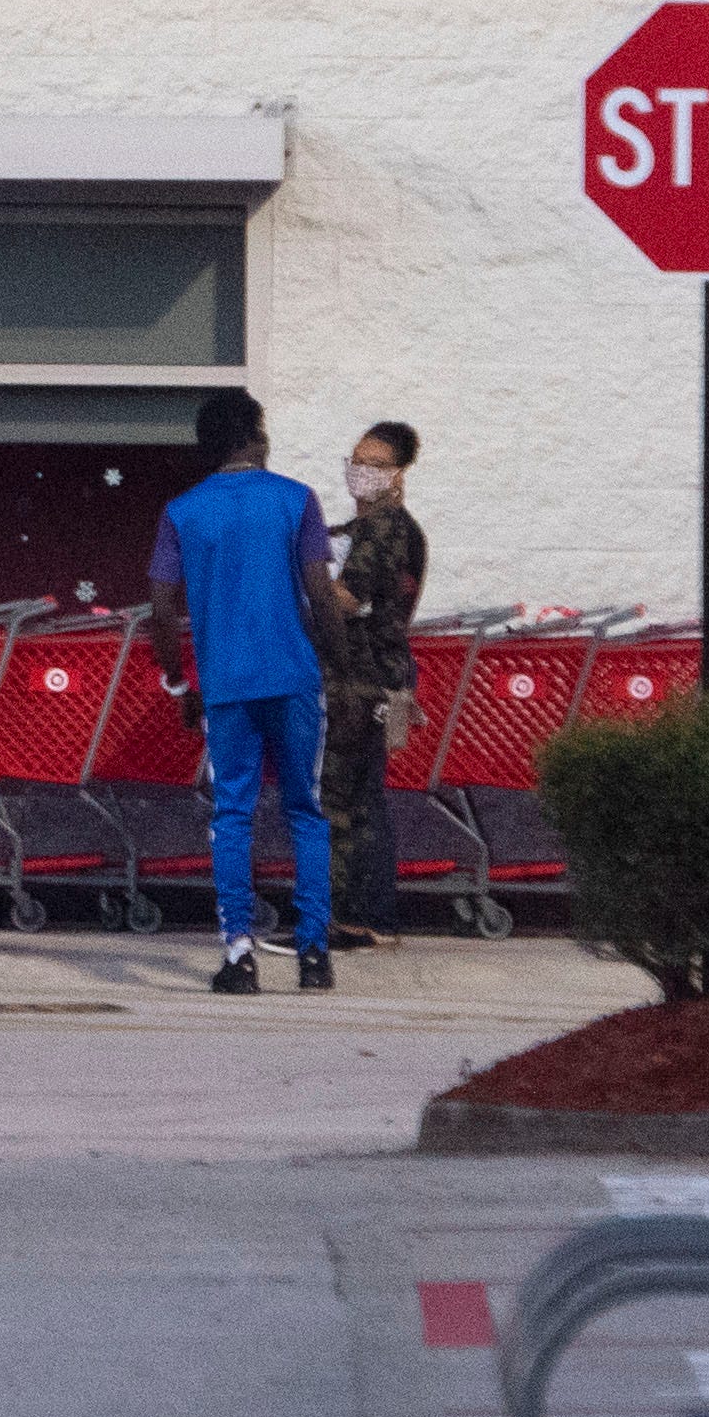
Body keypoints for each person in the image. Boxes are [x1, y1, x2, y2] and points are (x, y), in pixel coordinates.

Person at [143, 390, 340, 994]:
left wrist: (179, 680)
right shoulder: (296, 499)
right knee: (305, 809)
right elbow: (320, 593)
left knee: (232, 813)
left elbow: (160, 608)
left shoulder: (182, 511)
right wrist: (336, 666)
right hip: (294, 677)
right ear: (255, 435)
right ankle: (313, 953)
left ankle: (239, 952)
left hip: (226, 685)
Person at [319, 423, 432, 947]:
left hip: (360, 680)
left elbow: (348, 599)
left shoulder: (384, 529)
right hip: (378, 677)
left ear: (399, 473)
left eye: (376, 464)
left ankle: (352, 918)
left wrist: (294, 587)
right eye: (357, 460)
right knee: (365, 797)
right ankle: (374, 917)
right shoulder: (376, 528)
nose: (361, 472)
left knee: (343, 799)